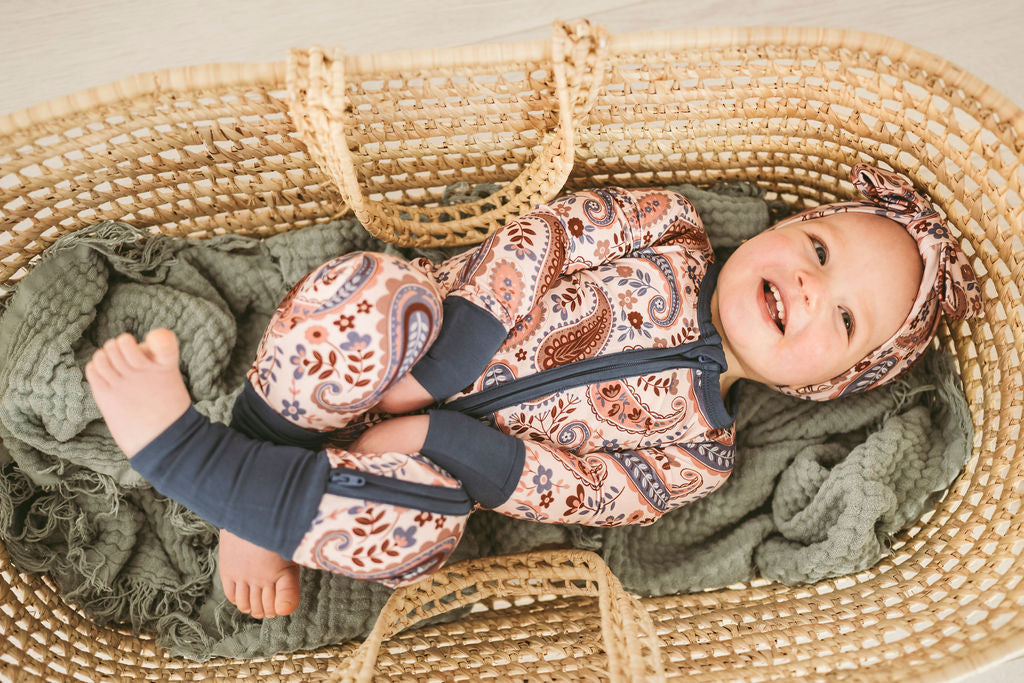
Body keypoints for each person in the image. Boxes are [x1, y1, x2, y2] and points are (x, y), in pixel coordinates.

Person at [84, 164, 981, 620]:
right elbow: (545, 238)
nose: (812, 287)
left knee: (425, 531)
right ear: (789, 225)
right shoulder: (670, 228)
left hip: (412, 465)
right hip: (414, 346)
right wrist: (434, 368)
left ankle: (212, 472)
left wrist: (429, 439)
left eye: (847, 319)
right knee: (375, 293)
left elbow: (568, 487)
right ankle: (234, 452)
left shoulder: (697, 458)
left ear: (828, 385)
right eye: (818, 249)